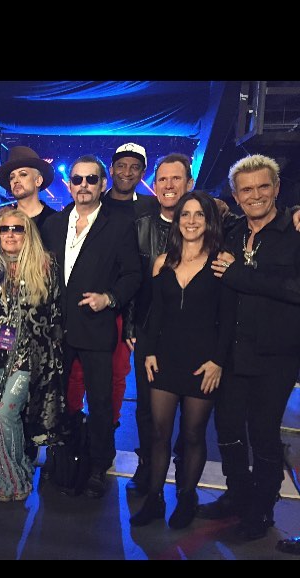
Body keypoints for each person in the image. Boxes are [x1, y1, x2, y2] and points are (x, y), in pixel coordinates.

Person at [198, 154, 300, 541]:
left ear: (277, 189)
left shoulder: (294, 231)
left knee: (263, 434)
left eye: (263, 186)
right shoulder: (233, 231)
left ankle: (261, 512)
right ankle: (238, 495)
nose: (255, 195)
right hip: (232, 352)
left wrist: (242, 276)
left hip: (276, 354)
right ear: (236, 196)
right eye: (247, 189)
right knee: (226, 428)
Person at [129, 191, 235, 528]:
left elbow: (228, 319)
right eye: (185, 214)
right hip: (165, 359)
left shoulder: (222, 262)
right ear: (177, 221)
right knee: (159, 434)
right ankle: (155, 499)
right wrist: (148, 351)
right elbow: (154, 313)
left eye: (198, 214)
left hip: (203, 363)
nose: (191, 221)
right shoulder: (163, 262)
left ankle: (187, 497)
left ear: (209, 221)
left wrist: (218, 361)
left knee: (192, 435)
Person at [42, 154, 141, 498]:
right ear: (69, 185)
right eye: (78, 179)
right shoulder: (53, 225)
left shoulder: (118, 225)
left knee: (100, 402)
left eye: (91, 179)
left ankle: (99, 464)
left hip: (97, 327)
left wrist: (109, 298)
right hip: (57, 330)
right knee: (57, 398)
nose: (84, 185)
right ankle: (61, 457)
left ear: (102, 184)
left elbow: (133, 274)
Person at [0, 208, 64, 501]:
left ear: (28, 234)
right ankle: (4, 477)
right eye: (4, 229)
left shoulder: (45, 266)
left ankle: (16, 479)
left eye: (18, 229)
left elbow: (55, 314)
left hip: (29, 358)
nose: (10, 234)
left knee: (6, 413)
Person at [66, 143, 159, 433]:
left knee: (118, 373)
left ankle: (107, 428)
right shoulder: (89, 204)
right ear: (111, 171)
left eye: (134, 167)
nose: (127, 172)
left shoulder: (151, 207)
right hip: (93, 307)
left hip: (130, 304)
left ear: (143, 172)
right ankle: (74, 429)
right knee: (77, 374)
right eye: (121, 165)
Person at [123, 153, 196, 496]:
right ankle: (147, 465)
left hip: (193, 334)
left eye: (176, 178)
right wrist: (131, 325)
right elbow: (131, 279)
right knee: (146, 409)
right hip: (148, 330)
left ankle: (184, 471)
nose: (168, 185)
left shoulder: (208, 223)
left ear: (189, 184)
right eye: (162, 179)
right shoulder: (140, 223)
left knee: (190, 414)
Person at [0, 145, 57, 231]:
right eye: (12, 177)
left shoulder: (56, 222)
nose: (16, 180)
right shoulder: (2, 220)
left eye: (23, 174)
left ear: (38, 181)